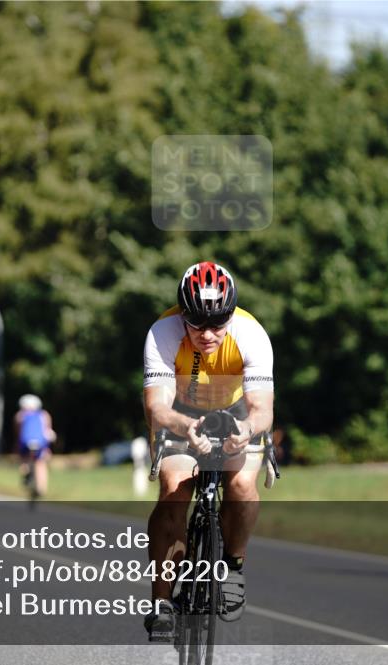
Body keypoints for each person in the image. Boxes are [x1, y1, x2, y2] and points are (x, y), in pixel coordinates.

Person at [142, 261, 274, 640]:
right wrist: (184, 427)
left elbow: (262, 409)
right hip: (179, 413)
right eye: (196, 323)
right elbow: (157, 406)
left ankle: (232, 564)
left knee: (243, 485)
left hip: (236, 414)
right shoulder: (163, 332)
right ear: (182, 315)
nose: (208, 333)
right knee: (174, 485)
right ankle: (162, 601)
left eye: (219, 323)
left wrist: (246, 430)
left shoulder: (251, 334)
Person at [14, 394, 56, 498]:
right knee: (41, 464)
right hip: (40, 444)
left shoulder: (20, 416)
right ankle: (41, 488)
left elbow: (18, 433)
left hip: (25, 443)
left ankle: (25, 475)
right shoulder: (44, 415)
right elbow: (47, 431)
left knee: (24, 460)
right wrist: (47, 448)